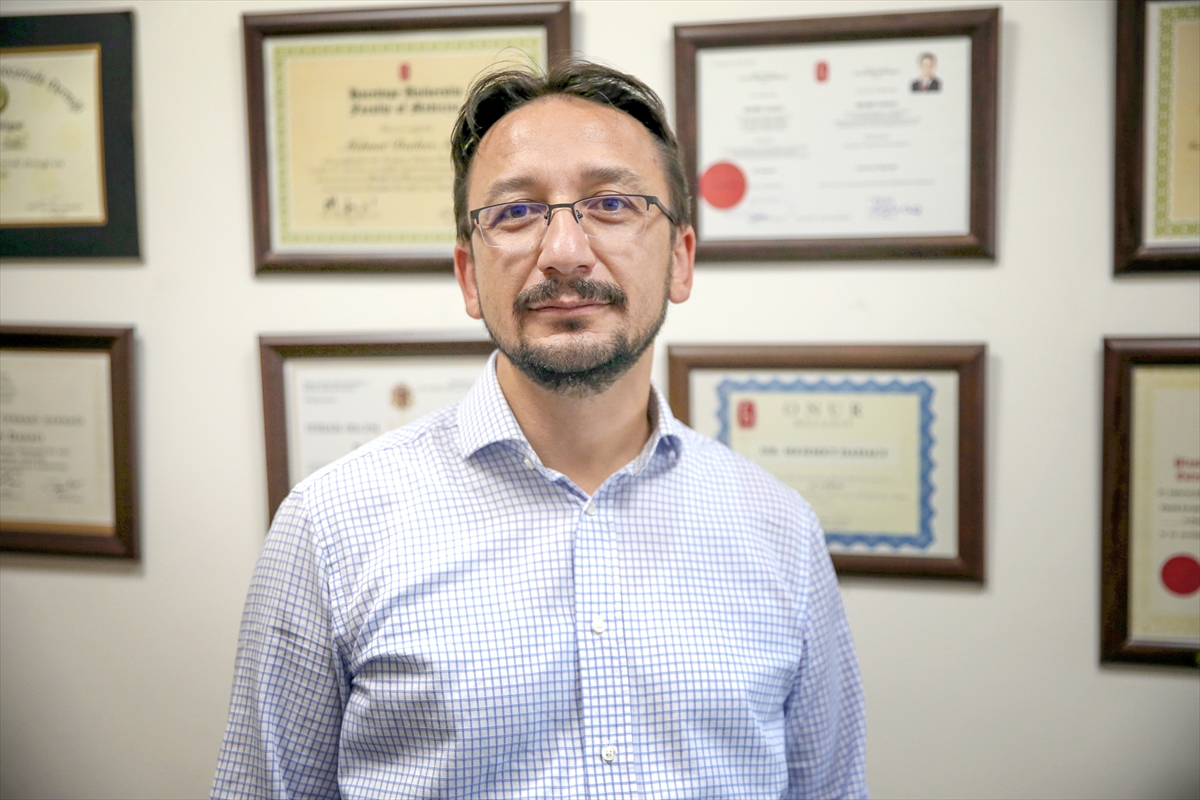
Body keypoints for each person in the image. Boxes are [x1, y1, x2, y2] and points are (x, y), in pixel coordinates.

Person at [213, 59, 868, 799]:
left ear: (680, 261)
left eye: (612, 203)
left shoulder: (781, 530)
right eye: (516, 213)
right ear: (469, 275)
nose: (563, 252)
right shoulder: (330, 529)